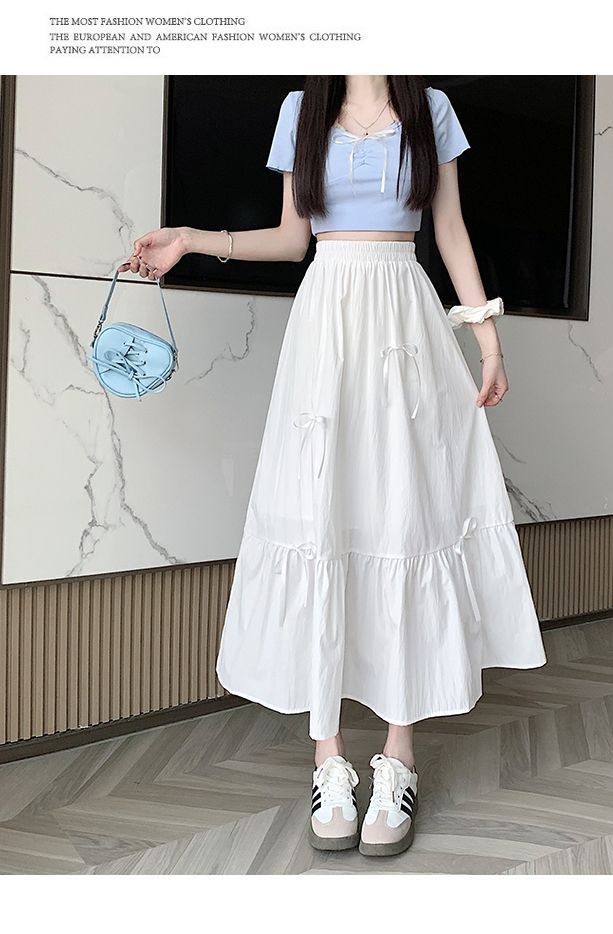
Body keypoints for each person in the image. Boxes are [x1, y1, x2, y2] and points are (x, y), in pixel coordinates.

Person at [119, 75, 547, 858]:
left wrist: (487, 339)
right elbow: (293, 238)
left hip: (404, 318)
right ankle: (328, 760)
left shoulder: (431, 108)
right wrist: (192, 237)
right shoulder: (302, 109)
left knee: (403, 517)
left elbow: (449, 229)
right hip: (327, 324)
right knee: (322, 516)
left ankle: (399, 757)